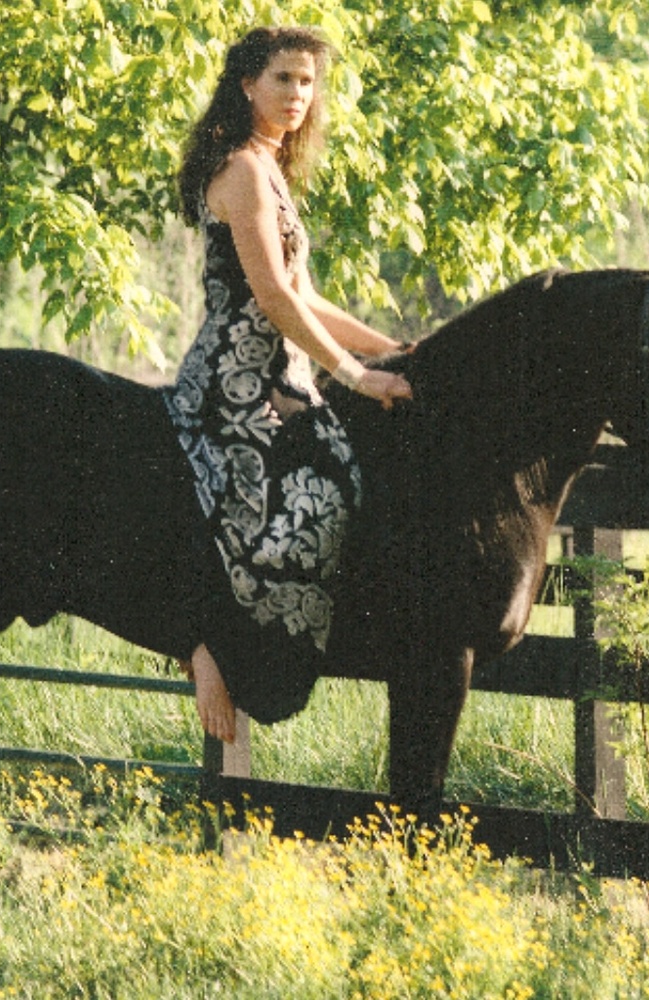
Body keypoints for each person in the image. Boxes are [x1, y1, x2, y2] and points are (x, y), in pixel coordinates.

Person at [164, 26, 413, 744]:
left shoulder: (273, 170)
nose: (299, 94)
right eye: (283, 79)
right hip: (234, 386)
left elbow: (310, 297)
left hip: (288, 378)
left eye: (308, 82)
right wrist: (357, 375)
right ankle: (209, 650)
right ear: (246, 84)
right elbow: (272, 297)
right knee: (318, 494)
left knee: (347, 482)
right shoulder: (241, 170)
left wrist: (395, 349)